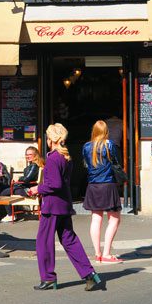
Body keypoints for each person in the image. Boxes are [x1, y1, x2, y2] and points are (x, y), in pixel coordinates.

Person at [28, 123, 101, 292]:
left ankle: (48, 278)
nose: (46, 140)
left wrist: (37, 189)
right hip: (64, 205)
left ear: (51, 139)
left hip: (52, 206)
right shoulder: (65, 157)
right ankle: (89, 274)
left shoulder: (54, 158)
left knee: (43, 242)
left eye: (47, 137)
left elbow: (55, 184)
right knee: (69, 240)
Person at [82, 120, 123, 263]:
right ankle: (106, 253)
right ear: (106, 131)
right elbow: (116, 162)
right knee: (114, 218)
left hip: (93, 185)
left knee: (96, 219)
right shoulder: (109, 145)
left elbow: (86, 164)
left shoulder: (86, 146)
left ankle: (97, 253)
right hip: (108, 184)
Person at [0, 147, 44, 222]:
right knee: (5, 191)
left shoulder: (34, 166)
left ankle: (10, 215)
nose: (27, 156)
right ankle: (9, 214)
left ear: (35, 155)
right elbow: (28, 177)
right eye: (26, 154)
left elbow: (27, 179)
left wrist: (18, 179)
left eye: (30, 154)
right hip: (26, 188)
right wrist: (20, 178)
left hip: (27, 190)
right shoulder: (34, 165)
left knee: (3, 193)